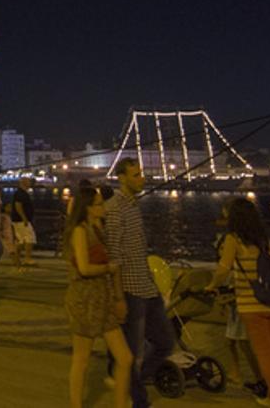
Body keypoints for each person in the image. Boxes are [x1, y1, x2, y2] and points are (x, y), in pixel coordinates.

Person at [106, 159, 175, 408]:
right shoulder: (114, 208)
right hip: (129, 289)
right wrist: (118, 297)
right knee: (131, 353)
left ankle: (128, 380)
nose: (141, 178)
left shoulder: (133, 206)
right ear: (121, 178)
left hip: (147, 285)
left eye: (141, 174)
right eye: (135, 175)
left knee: (166, 342)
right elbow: (114, 255)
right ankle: (139, 400)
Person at [208, 198, 270, 408]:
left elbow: (224, 269)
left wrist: (212, 285)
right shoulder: (264, 239)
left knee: (265, 354)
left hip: (251, 304)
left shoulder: (233, 239)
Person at [63, 183, 132, 408]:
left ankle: (121, 403)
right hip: (85, 299)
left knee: (125, 358)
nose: (104, 208)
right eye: (100, 204)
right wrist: (108, 268)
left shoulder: (98, 229)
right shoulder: (80, 231)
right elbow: (84, 268)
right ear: (89, 208)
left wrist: (117, 296)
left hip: (102, 298)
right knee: (82, 358)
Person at [11, 177, 38, 267]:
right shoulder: (20, 194)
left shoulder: (21, 193)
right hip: (22, 220)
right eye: (28, 181)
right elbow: (18, 206)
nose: (30, 183)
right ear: (23, 183)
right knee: (30, 238)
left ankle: (16, 257)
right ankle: (27, 258)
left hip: (18, 220)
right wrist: (24, 218)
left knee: (21, 240)